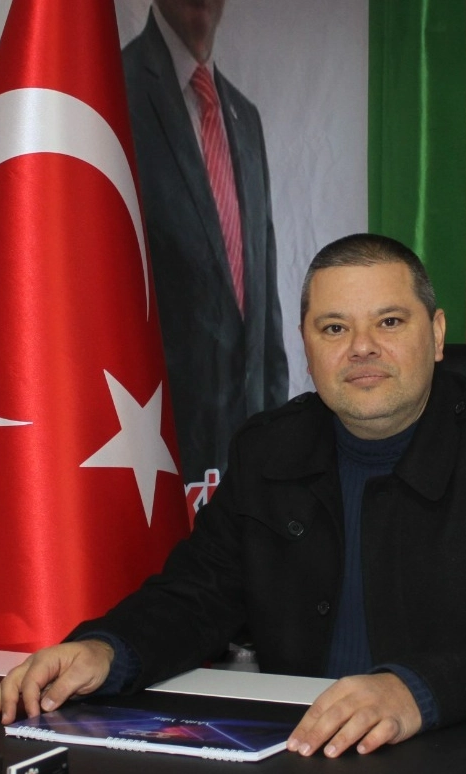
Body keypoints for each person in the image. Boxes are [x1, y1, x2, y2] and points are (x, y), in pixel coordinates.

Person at [0, 234, 466, 758]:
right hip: (297, 751)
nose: (362, 347)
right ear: (306, 345)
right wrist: (107, 650)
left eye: (389, 322)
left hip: (463, 749)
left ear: (436, 335)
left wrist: (412, 691)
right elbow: (198, 595)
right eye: (334, 328)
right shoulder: (270, 449)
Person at [122, 0, 288, 485]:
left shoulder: (244, 117)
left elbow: (263, 304)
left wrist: (276, 433)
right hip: (149, 459)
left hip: (245, 461)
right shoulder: (112, 92)